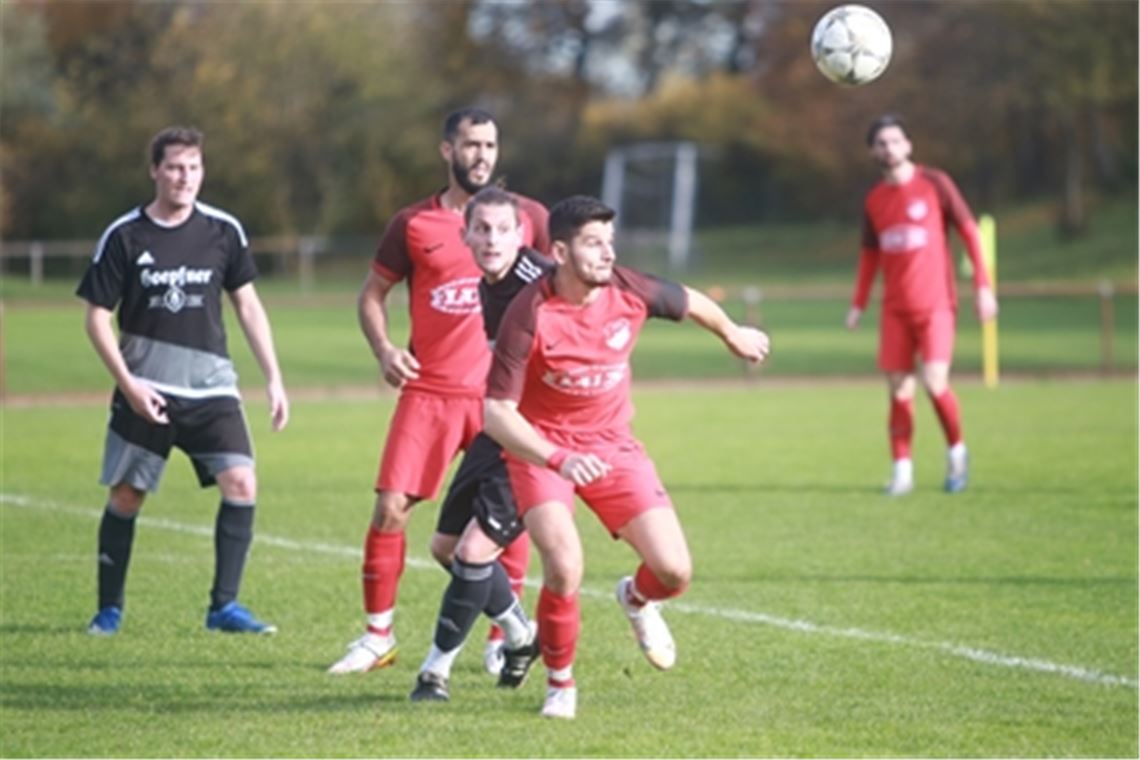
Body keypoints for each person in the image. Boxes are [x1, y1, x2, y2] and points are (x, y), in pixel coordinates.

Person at [482, 195, 771, 719]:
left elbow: (691, 301)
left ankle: (635, 599)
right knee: (565, 567)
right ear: (561, 251)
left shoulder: (631, 289)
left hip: (614, 445)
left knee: (675, 571)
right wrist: (557, 458)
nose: (607, 254)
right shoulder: (528, 312)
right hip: (543, 449)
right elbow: (498, 415)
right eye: (594, 244)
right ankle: (561, 685)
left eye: (610, 243)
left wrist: (732, 333)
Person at [329, 108, 549, 675]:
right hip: (429, 391)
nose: (482, 155)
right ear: (446, 150)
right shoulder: (413, 224)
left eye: (491, 145)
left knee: (507, 520)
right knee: (390, 509)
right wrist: (383, 349)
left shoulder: (528, 217)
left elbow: (560, 287)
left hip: (501, 400)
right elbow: (372, 293)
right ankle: (378, 637)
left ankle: (504, 639)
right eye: (471, 144)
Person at [76, 126, 289, 636]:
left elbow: (248, 306)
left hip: (213, 387)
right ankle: (109, 611)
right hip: (146, 389)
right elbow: (96, 318)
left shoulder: (224, 231)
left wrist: (274, 378)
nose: (184, 177)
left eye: (193, 167)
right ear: (154, 171)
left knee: (241, 481)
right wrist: (129, 385)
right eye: (173, 167)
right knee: (127, 496)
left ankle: (224, 608)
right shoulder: (125, 236)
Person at [409, 186, 555, 702]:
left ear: (521, 234)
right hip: (501, 427)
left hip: (540, 436)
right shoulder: (488, 284)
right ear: (466, 234)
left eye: (503, 229)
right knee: (446, 549)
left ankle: (434, 673)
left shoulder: (539, 281)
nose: (492, 239)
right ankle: (521, 634)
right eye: (482, 229)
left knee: (473, 551)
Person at [845, 114, 999, 496]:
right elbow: (869, 256)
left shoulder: (936, 184)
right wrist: (858, 303)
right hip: (894, 309)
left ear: (908, 145)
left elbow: (969, 231)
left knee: (934, 381)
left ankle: (956, 452)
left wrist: (983, 286)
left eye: (896, 141)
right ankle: (902, 471)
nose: (889, 148)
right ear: (872, 152)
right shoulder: (874, 200)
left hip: (935, 306)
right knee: (898, 390)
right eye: (881, 143)